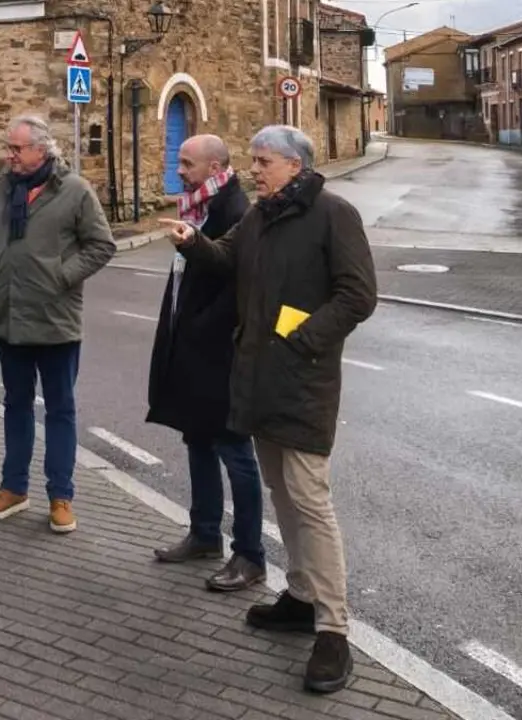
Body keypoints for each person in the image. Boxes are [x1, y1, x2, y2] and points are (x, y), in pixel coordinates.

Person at [160, 125, 378, 694]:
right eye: (254, 162)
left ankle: (333, 630)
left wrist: (303, 338)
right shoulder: (258, 217)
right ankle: (301, 598)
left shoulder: (334, 214)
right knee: (282, 494)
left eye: (262, 162)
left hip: (303, 383)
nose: (253, 170)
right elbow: (226, 257)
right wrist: (191, 240)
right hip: (256, 381)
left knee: (311, 502)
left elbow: (358, 295)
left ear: (295, 166)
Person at [0, 115, 116, 533]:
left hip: (56, 322)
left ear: (41, 149)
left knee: (60, 411)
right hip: (10, 319)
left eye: (16, 149)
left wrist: (61, 275)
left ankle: (61, 496)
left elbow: (102, 245)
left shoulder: (73, 191)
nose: (9, 156)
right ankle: (14, 488)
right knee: (15, 407)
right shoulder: (1, 191)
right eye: (9, 148)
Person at [147, 134, 266, 593]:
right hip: (195, 348)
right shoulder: (198, 207)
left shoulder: (234, 211)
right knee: (197, 440)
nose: (179, 169)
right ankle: (204, 534)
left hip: (221, 353)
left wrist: (199, 330)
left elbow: (235, 284)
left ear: (214, 166)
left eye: (187, 162)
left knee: (235, 452)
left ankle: (250, 554)